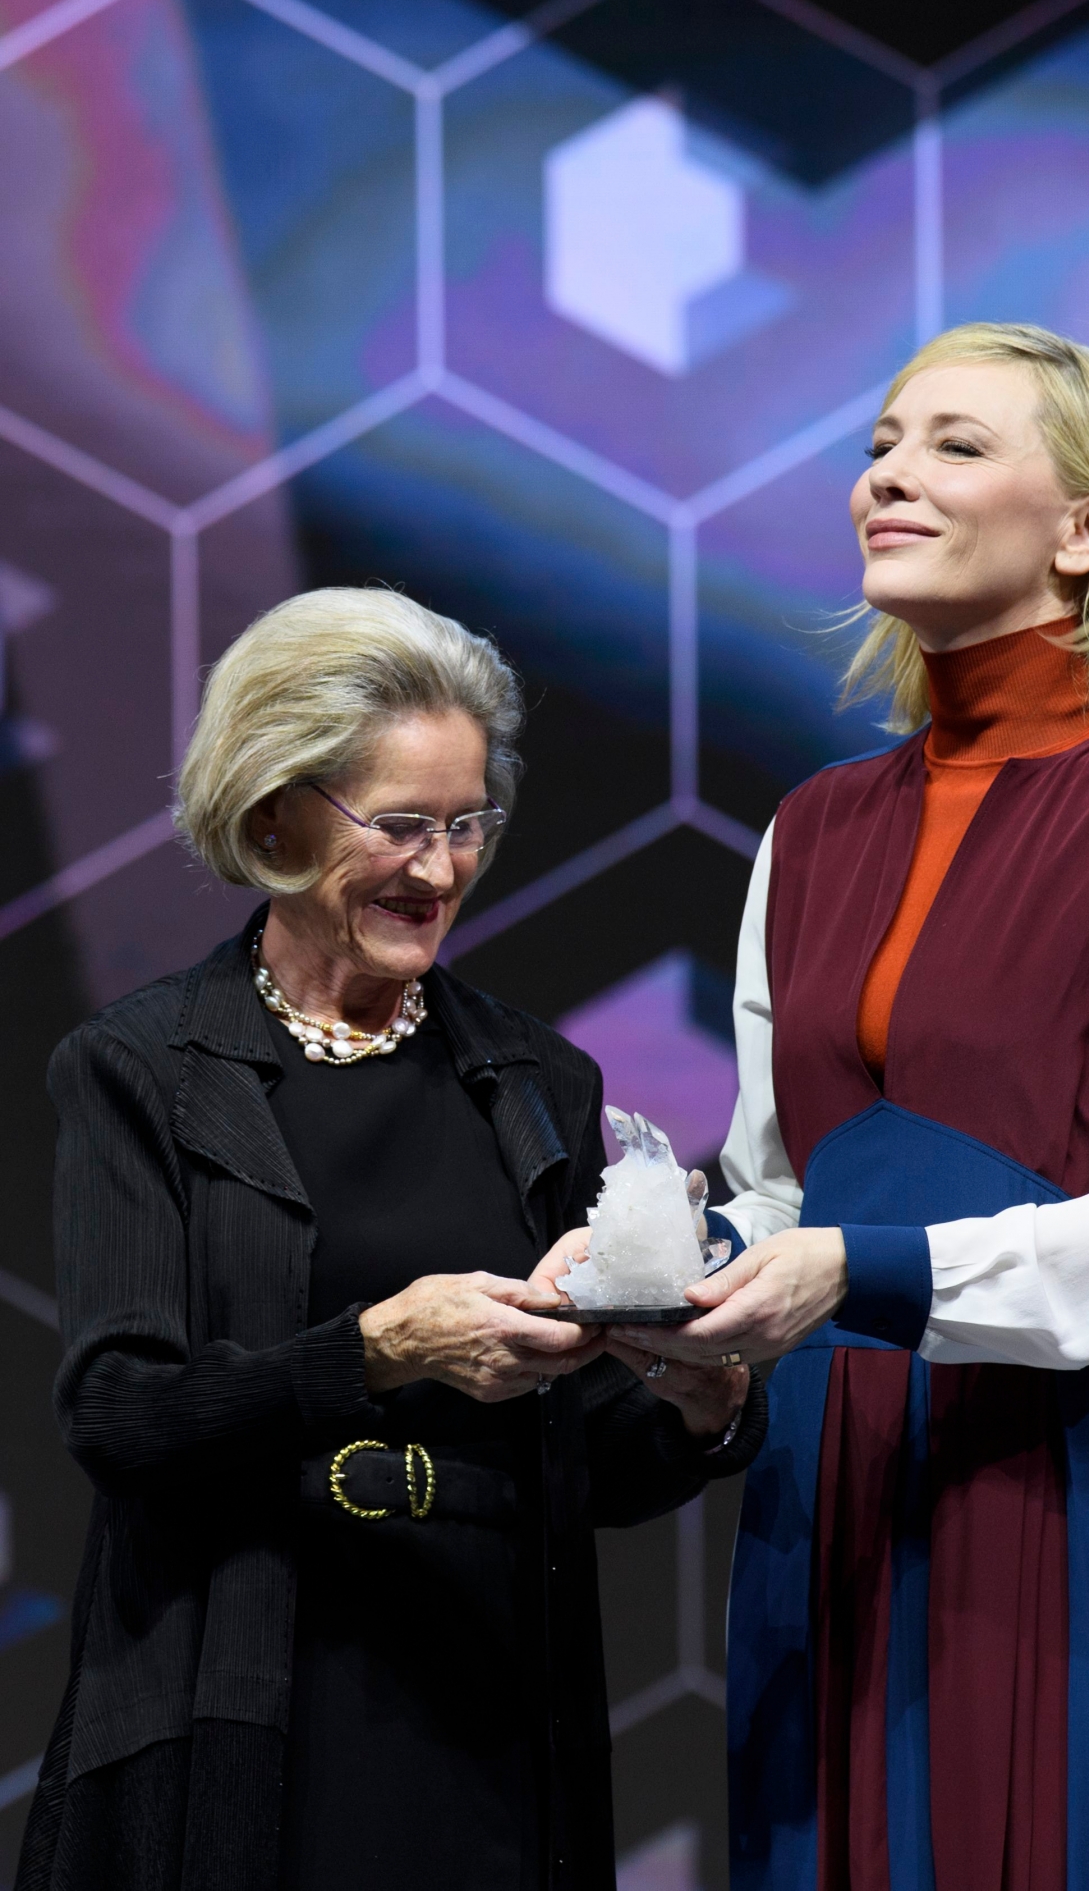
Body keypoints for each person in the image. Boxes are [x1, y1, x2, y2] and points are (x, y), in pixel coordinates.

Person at [612, 324, 1089, 1889]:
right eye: (877, 445)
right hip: (831, 1495)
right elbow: (779, 1187)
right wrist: (663, 1291)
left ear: (1087, 530)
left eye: (951, 445)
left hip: (1078, 1492)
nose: (887, 478)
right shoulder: (809, 829)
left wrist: (851, 1274)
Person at [17, 587, 766, 1891]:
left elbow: (592, 1465)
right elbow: (119, 1415)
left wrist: (700, 1412)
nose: (443, 869)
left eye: (469, 823)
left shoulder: (536, 1082)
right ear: (272, 817)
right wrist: (374, 1349)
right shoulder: (141, 1067)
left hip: (485, 1704)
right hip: (237, 1691)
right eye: (402, 826)